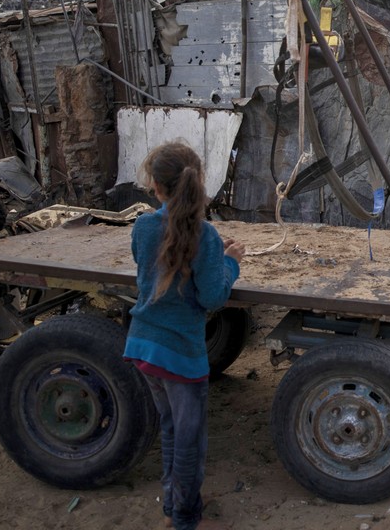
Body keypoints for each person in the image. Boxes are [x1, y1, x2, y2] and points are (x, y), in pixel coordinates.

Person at [123, 142, 243, 530]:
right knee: (190, 443)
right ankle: (186, 521)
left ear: (155, 186)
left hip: (143, 347)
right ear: (197, 182)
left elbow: (156, 264)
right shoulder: (205, 236)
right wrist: (229, 262)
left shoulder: (142, 227)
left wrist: (212, 255)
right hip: (181, 357)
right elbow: (213, 296)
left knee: (172, 431)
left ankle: (173, 510)